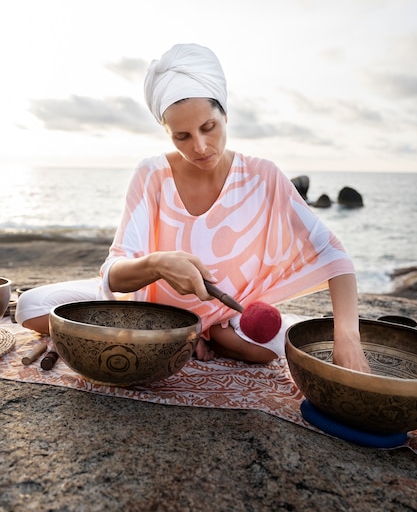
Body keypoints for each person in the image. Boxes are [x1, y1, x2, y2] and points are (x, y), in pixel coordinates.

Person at [16, 43, 370, 372]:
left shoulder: (263, 176)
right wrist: (157, 264)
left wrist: (348, 339)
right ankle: (195, 336)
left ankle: (210, 332)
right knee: (31, 307)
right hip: (146, 310)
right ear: (167, 132)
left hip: (225, 313)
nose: (200, 146)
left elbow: (333, 255)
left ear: (226, 115)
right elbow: (114, 271)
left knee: (272, 346)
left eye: (208, 127)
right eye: (182, 136)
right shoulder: (152, 174)